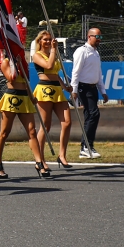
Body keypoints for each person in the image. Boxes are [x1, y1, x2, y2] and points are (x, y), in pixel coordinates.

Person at [0, 50, 46, 178]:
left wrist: (31, 96)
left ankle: (39, 163)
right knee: (5, 132)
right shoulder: (5, 63)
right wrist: (15, 64)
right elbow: (11, 77)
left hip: (24, 99)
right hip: (11, 98)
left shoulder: (23, 64)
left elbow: (26, 82)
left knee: (32, 131)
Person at [33, 30, 73, 168]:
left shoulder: (53, 55)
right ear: (39, 42)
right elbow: (49, 66)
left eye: (50, 39)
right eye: (45, 39)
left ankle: (62, 155)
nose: (48, 42)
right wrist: (54, 50)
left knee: (67, 122)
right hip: (44, 90)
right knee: (45, 125)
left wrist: (65, 87)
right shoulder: (37, 55)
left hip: (57, 90)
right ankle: (40, 159)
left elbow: (55, 73)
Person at [71, 28, 107, 159]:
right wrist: (74, 90)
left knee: (90, 116)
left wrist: (103, 91)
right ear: (89, 36)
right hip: (83, 88)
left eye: (101, 38)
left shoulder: (96, 53)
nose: (99, 40)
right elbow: (76, 72)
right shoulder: (82, 51)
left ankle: (85, 148)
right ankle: (86, 146)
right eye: (97, 37)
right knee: (94, 114)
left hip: (93, 89)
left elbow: (98, 74)